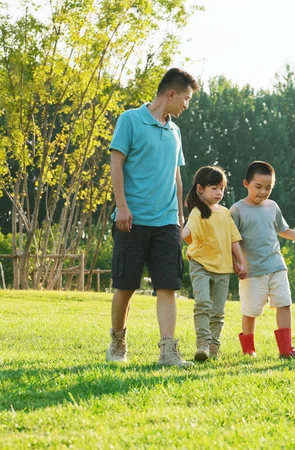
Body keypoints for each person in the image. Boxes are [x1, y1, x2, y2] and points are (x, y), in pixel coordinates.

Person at [106, 68, 199, 367]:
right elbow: (116, 164)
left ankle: (168, 351)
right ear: (171, 94)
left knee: (168, 286)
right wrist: (122, 206)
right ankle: (118, 339)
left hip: (167, 222)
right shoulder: (130, 119)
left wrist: (180, 216)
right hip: (131, 219)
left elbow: (176, 175)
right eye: (185, 98)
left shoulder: (176, 131)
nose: (186, 104)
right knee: (126, 286)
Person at [230, 161, 295, 358]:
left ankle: (286, 349)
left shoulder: (272, 207)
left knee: (284, 303)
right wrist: (236, 263)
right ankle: (248, 350)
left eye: (268, 188)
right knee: (251, 311)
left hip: (276, 265)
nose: (263, 192)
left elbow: (283, 230)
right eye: (258, 187)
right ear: (246, 184)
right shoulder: (237, 210)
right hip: (252, 270)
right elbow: (231, 240)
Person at [181, 166, 245, 362]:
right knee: (203, 303)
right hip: (200, 264)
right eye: (214, 188)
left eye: (221, 188)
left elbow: (234, 239)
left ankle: (214, 346)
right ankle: (202, 343)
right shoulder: (196, 213)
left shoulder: (225, 213)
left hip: (223, 268)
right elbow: (186, 231)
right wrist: (174, 239)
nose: (219, 193)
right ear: (200, 189)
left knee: (218, 311)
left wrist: (240, 261)